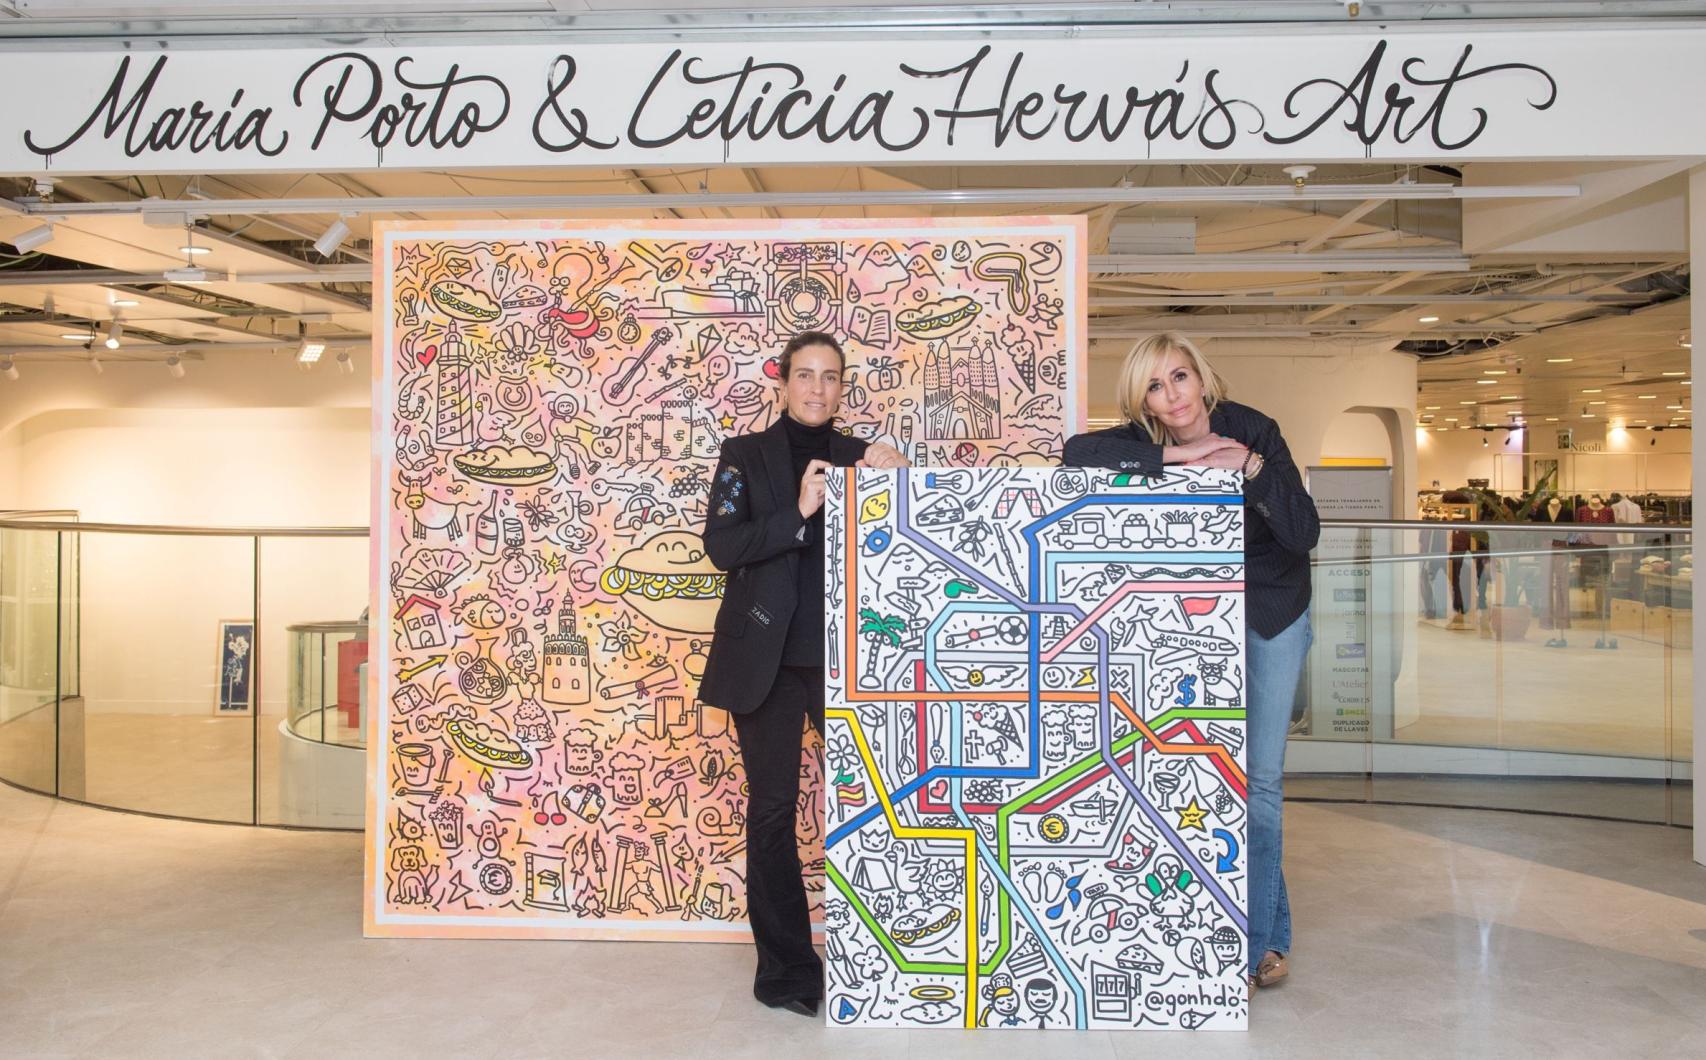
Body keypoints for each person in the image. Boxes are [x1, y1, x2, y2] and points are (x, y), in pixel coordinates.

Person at [1061, 331, 1320, 990]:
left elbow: (1303, 532)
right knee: (1209, 778)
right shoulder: (1143, 439)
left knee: (1258, 781)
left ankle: (1250, 950)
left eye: (1179, 377)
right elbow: (1075, 456)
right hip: (1190, 625)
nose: (1171, 396)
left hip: (1268, 614)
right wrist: (1185, 460)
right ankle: (1272, 930)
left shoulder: (1256, 431)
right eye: (1154, 385)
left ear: (1201, 378)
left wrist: (1250, 471)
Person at [697, 331, 909, 1016]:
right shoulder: (745, 455)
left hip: (854, 665)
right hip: (768, 666)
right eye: (806, 375)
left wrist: (904, 481)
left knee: (881, 809)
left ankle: (886, 960)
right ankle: (788, 972)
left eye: (832, 377)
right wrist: (799, 513)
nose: (819, 388)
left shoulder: (864, 458)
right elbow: (722, 547)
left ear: (843, 387)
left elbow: (911, 550)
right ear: (783, 383)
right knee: (771, 813)